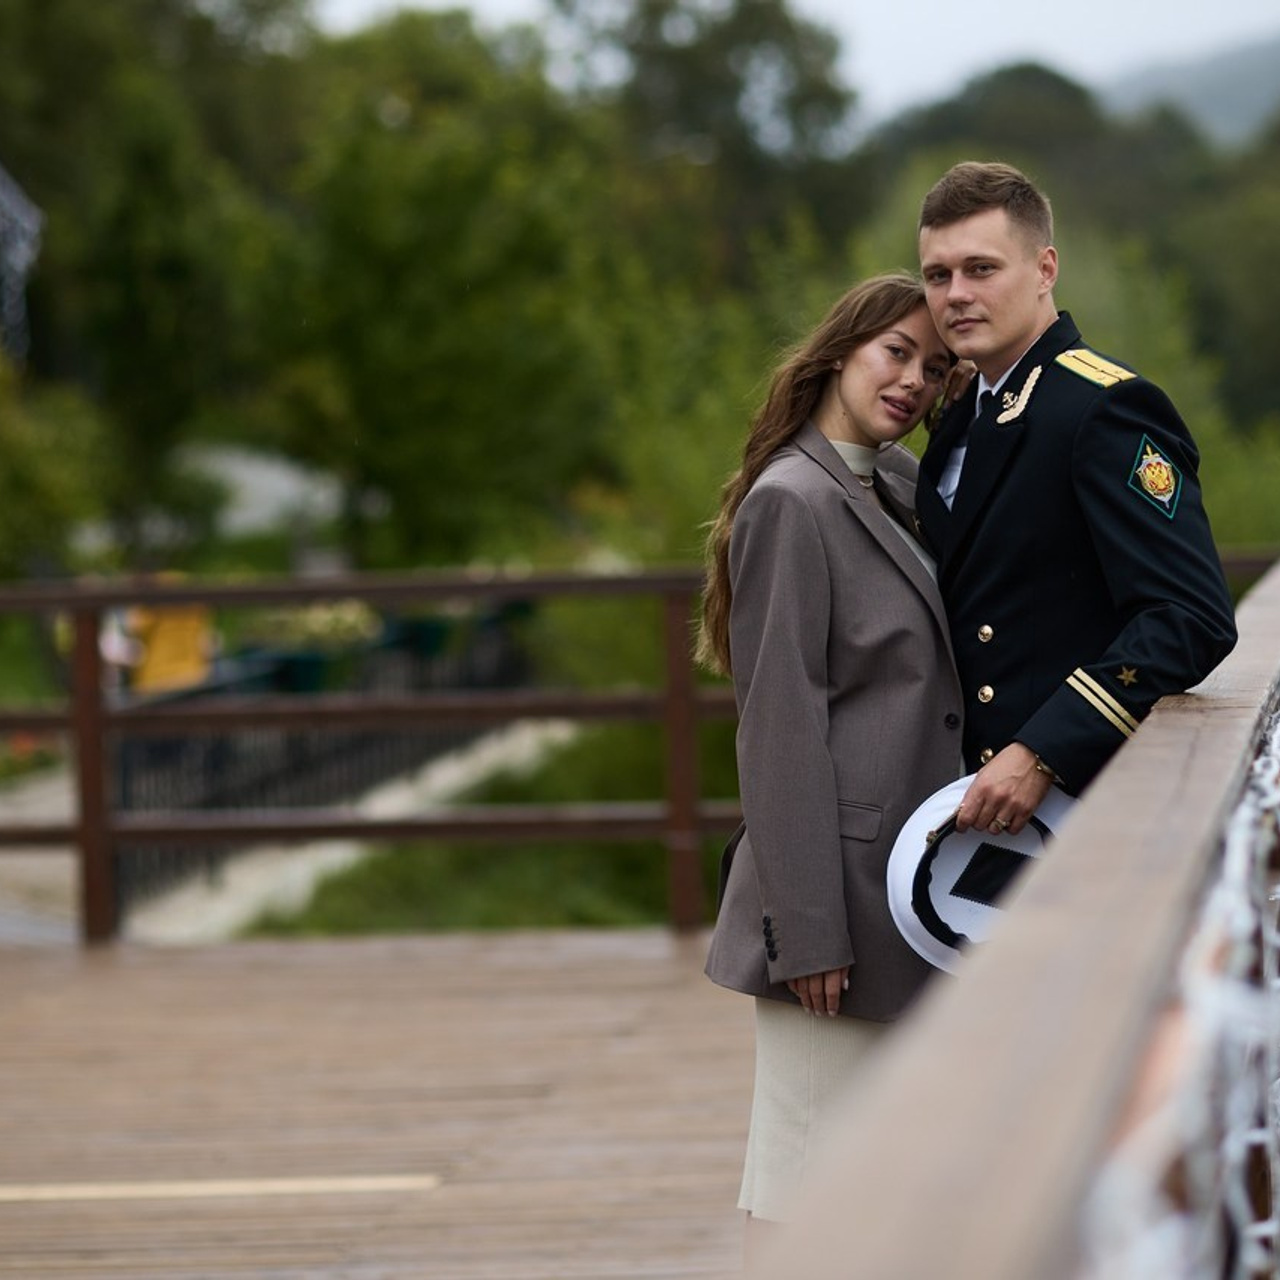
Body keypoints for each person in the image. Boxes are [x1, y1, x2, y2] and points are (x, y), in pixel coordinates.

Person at [698, 273, 965, 1246]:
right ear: (840, 348)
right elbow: (777, 725)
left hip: (905, 887)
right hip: (831, 908)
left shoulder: (892, 483)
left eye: (933, 368)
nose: (912, 380)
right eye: (894, 352)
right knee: (809, 1195)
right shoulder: (791, 500)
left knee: (887, 1193)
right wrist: (805, 929)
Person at [914, 160, 1237, 838]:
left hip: (1082, 801)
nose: (955, 295)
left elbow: (1189, 615)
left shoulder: (1104, 407)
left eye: (981, 268)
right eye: (937, 275)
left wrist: (1044, 750)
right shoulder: (962, 415)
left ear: (1045, 269)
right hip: (971, 805)